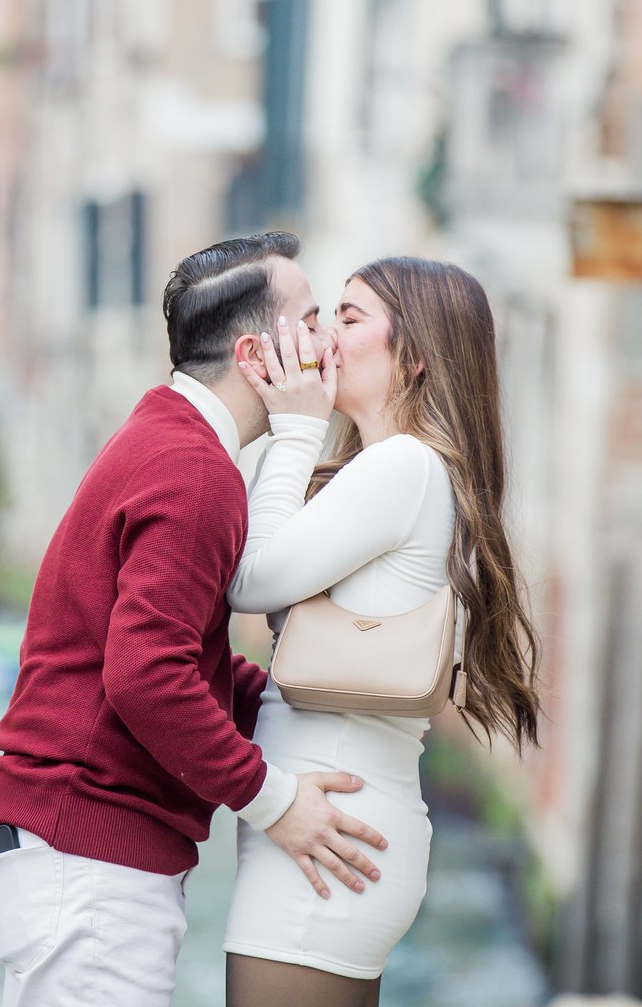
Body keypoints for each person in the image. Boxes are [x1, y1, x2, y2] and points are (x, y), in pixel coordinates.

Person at [0, 232, 389, 1007]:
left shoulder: (170, 440)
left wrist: (311, 703)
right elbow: (145, 676)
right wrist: (274, 800)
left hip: (67, 852)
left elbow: (185, 660)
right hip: (85, 855)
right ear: (258, 357)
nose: (328, 339)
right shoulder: (195, 472)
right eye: (313, 317)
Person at [221, 257, 544, 1007]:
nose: (325, 336)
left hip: (325, 845)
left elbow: (252, 579)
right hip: (342, 830)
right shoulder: (401, 470)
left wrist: (295, 427)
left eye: (350, 317)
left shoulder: (402, 466)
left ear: (418, 353)